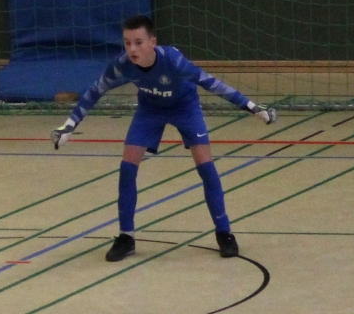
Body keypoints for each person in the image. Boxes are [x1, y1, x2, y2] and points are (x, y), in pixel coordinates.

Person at [52, 14, 276, 262]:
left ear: (152, 42)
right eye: (127, 43)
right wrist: (70, 125)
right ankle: (126, 237)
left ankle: (224, 233)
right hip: (150, 109)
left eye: (138, 42)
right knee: (127, 168)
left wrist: (252, 107)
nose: (132, 49)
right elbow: (96, 90)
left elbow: (212, 84)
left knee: (206, 167)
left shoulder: (174, 61)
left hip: (185, 107)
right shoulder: (121, 64)